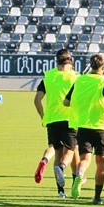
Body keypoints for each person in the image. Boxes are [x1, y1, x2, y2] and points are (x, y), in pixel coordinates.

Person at [62, 53, 104, 204]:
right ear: (103, 67)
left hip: (83, 126)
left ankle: (80, 174)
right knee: (101, 162)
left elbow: (66, 102)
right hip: (101, 126)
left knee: (85, 158)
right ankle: (97, 197)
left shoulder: (80, 80)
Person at [33, 49, 79, 196]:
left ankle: (60, 191)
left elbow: (37, 100)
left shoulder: (48, 77)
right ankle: (64, 169)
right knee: (70, 152)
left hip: (52, 120)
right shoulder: (76, 78)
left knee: (57, 153)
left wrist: (43, 116)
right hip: (70, 119)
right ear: (71, 62)